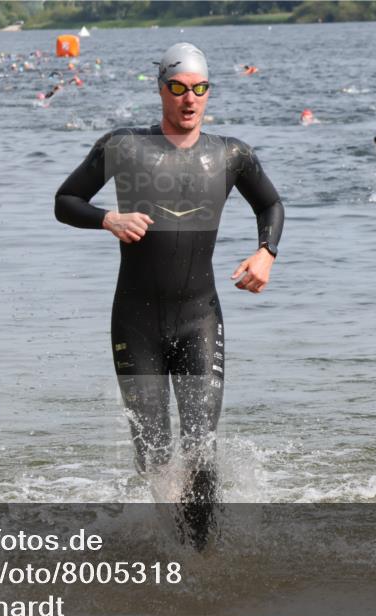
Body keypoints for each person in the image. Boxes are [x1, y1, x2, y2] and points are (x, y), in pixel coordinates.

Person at [54, 43, 284, 549]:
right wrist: (108, 219)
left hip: (198, 316)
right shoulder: (123, 146)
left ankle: (203, 557)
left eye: (199, 89)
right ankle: (174, 552)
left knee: (201, 446)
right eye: (178, 88)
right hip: (135, 323)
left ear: (208, 92)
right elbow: (65, 201)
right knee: (154, 455)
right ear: (161, 89)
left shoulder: (231, 154)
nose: (189, 99)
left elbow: (270, 203)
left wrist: (266, 252)